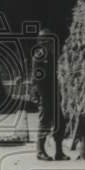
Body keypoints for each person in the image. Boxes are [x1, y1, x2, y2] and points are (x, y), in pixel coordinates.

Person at [31, 29, 67, 161]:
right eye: (46, 40)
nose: (49, 43)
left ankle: (59, 152)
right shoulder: (39, 56)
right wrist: (41, 96)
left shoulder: (51, 55)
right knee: (45, 121)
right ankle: (40, 151)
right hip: (44, 94)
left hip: (53, 93)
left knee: (60, 122)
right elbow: (38, 78)